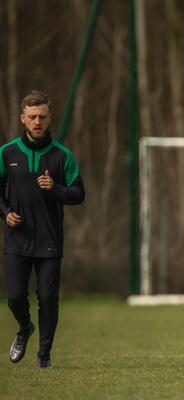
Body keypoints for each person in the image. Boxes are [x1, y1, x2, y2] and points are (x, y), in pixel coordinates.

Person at [0, 91, 85, 368]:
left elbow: (79, 194)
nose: (38, 121)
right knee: (14, 297)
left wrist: (56, 189)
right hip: (18, 239)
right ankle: (25, 328)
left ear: (50, 119)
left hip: (49, 239)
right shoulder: (7, 152)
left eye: (43, 117)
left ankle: (44, 356)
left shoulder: (63, 156)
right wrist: (5, 214)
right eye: (33, 116)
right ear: (22, 118)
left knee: (48, 298)